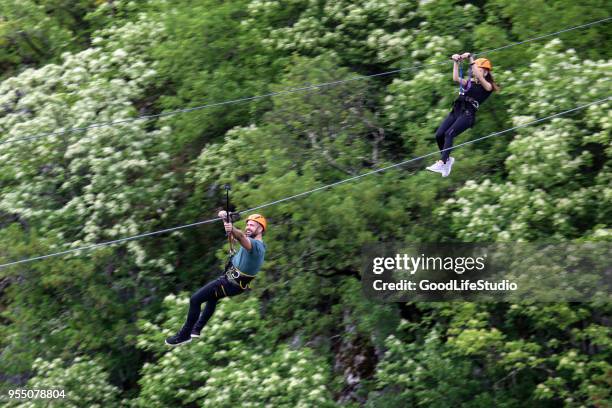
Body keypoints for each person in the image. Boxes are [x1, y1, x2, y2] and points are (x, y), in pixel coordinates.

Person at [165, 212, 267, 346]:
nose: (248, 227)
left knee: (195, 299)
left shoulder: (257, 247)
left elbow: (240, 235)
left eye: (252, 225)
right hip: (232, 282)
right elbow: (236, 235)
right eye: (247, 224)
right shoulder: (249, 242)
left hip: (230, 283)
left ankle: (184, 335)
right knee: (212, 297)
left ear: (260, 229)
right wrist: (225, 219)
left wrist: (232, 227)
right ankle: (197, 329)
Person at [426, 52, 500, 177]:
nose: (475, 71)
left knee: (449, 134)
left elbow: (479, 77)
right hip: (457, 110)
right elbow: (455, 78)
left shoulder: (488, 86)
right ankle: (447, 160)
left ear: (486, 72)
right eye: (474, 69)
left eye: (478, 69)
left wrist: (471, 58)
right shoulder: (470, 82)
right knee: (439, 135)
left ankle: (442, 162)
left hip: (467, 114)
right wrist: (456, 62)